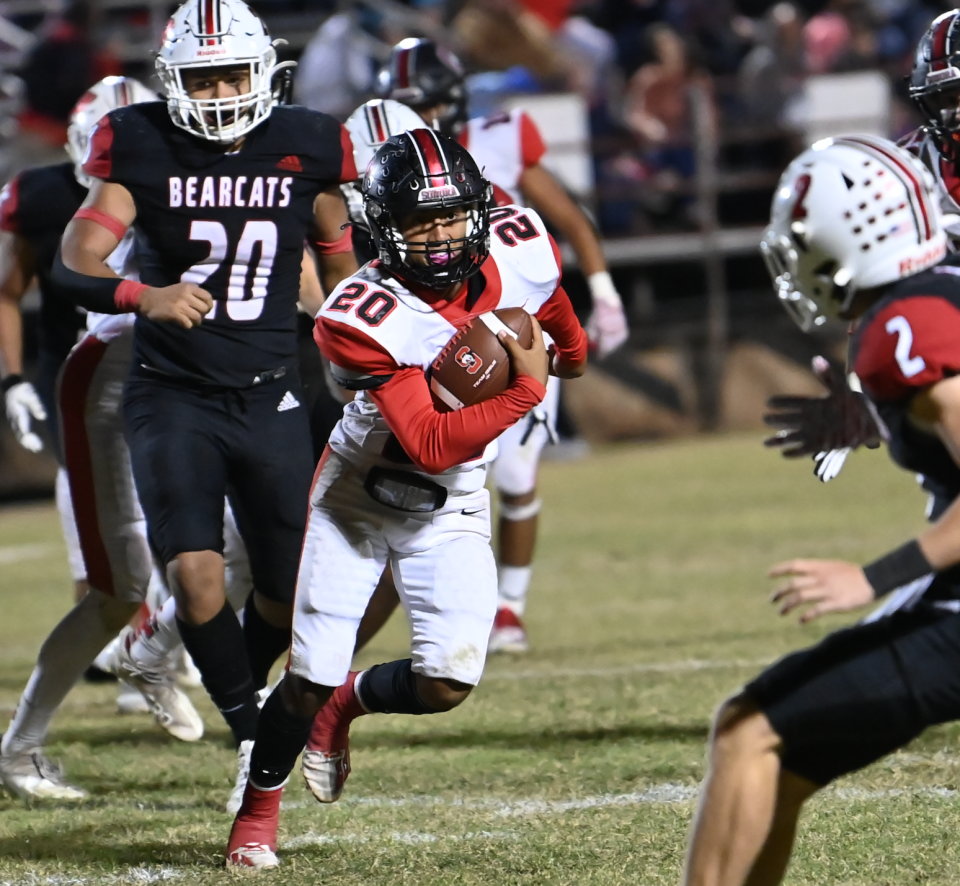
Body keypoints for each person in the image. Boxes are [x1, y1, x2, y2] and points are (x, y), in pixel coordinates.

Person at [224, 129, 587, 870]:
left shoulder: (521, 250)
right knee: (305, 676)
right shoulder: (360, 313)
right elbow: (425, 439)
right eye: (420, 221)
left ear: (480, 209)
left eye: (451, 215)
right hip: (356, 500)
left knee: (450, 680)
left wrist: (546, 338)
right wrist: (522, 385)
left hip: (452, 505)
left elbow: (569, 346)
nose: (440, 234)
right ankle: (256, 814)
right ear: (384, 228)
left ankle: (346, 703)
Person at [52, 0, 358, 809]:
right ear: (171, 81)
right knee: (195, 578)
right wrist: (140, 292)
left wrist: (337, 313)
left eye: (232, 72)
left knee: (289, 592)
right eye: (202, 76)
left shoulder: (311, 142)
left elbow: (338, 252)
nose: (220, 91)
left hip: (269, 393)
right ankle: (252, 734)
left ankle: (202, 675)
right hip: (173, 393)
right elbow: (76, 254)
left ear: (265, 71)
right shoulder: (143, 142)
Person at [680, 134, 960, 886]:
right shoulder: (933, 301)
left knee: (748, 733)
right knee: (787, 761)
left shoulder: (907, 327)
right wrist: (874, 418)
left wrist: (874, 578)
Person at [375, 37, 626, 652]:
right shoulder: (389, 158)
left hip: (514, 325)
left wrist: (603, 288)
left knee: (515, 473)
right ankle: (440, 604)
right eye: (408, 108)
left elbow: (567, 217)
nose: (421, 120)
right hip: (432, 328)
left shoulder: (499, 137)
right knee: (435, 474)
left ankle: (508, 609)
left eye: (428, 105)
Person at [0, 77, 210, 803]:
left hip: (188, 380)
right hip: (106, 382)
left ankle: (154, 655)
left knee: (240, 543)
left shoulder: (204, 176)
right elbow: (31, 282)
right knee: (113, 585)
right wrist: (12, 380)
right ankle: (23, 746)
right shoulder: (53, 199)